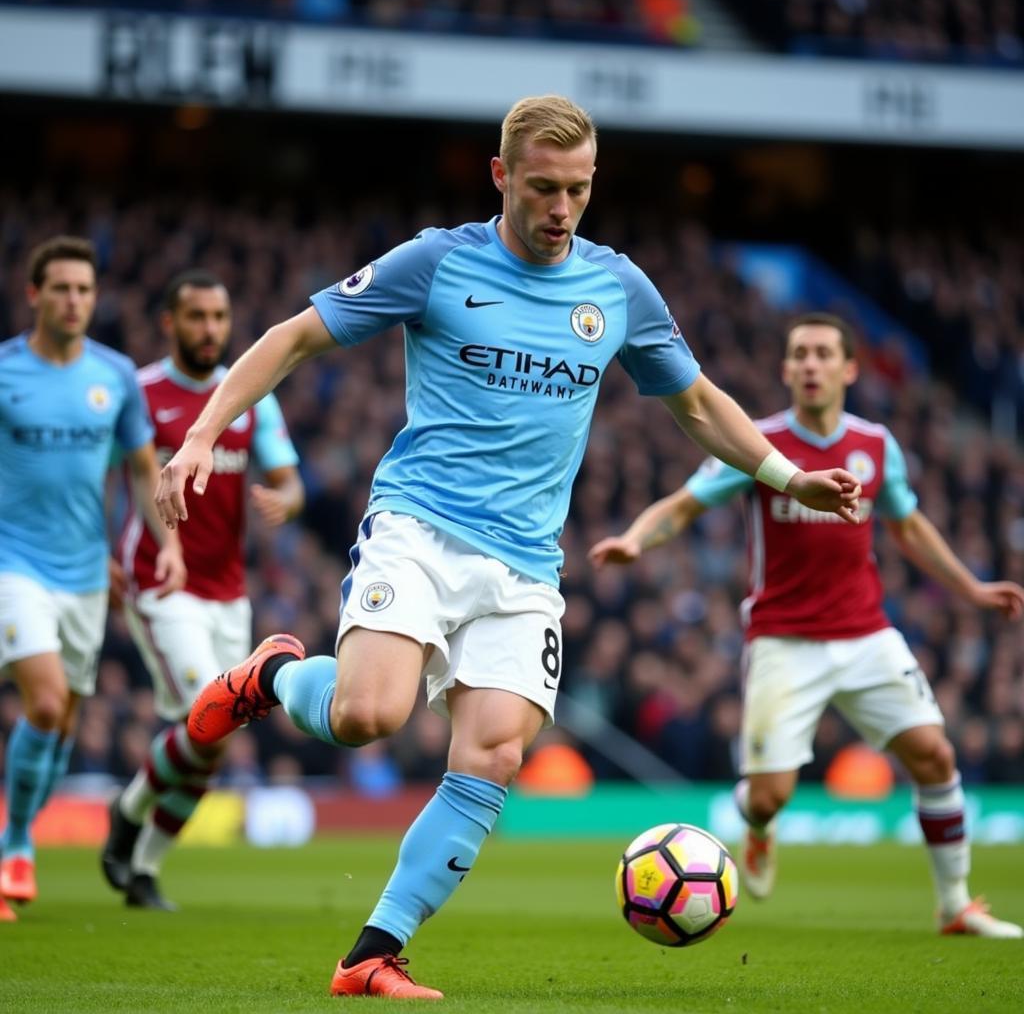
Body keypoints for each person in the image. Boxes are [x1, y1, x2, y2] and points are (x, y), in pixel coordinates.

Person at [156, 97, 861, 997]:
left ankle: (372, 953)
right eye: (542, 188)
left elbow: (697, 402)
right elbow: (292, 338)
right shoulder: (439, 261)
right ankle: (270, 678)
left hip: (526, 566)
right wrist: (202, 434)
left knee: (492, 754)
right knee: (371, 715)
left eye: (577, 189)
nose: (561, 208)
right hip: (420, 527)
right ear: (501, 177)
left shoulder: (617, 289)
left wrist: (784, 475)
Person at [589, 311, 1024, 939]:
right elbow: (683, 504)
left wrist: (971, 587)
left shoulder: (874, 446)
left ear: (849, 368)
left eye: (823, 353)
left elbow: (907, 524)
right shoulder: (757, 445)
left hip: (867, 633)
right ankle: (759, 830)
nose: (811, 365)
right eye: (800, 354)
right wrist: (634, 539)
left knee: (934, 755)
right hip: (784, 642)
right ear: (786, 368)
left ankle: (955, 905)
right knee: (767, 797)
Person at [100, 270, 304, 910]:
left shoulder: (249, 396)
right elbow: (97, 476)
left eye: (219, 317)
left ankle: (143, 871)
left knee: (217, 729)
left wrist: (286, 502)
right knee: (205, 712)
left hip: (228, 590)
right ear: (170, 322)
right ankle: (130, 811)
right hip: (161, 580)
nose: (210, 330)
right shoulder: (139, 392)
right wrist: (96, 552)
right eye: (196, 317)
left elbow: (291, 479)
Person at [0, 236, 185, 923]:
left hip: (84, 574)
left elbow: (141, 469)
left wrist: (162, 544)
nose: (74, 300)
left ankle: (21, 826)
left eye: (84, 289)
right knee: (45, 703)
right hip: (13, 564)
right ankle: (16, 842)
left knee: (63, 721)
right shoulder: (6, 373)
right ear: (35, 295)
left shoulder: (114, 377)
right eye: (61, 289)